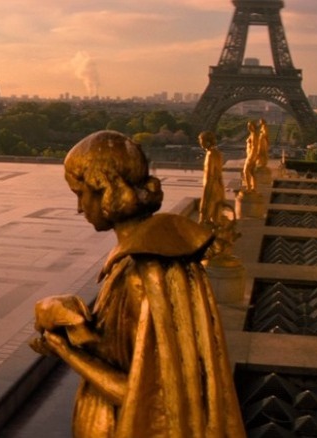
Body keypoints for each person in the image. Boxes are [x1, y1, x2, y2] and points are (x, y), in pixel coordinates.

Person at [30, 130, 244, 437]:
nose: (79, 208)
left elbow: (147, 398)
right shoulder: (156, 258)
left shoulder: (140, 276)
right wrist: (80, 329)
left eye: (80, 194)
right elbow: (135, 355)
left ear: (103, 187)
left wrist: (65, 351)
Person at [197, 131, 225, 226]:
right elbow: (219, 175)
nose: (200, 142)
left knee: (204, 220)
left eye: (201, 140)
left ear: (207, 142)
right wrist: (223, 192)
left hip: (210, 189)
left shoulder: (210, 155)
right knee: (216, 219)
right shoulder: (218, 153)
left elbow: (209, 177)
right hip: (218, 188)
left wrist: (205, 199)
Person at [241, 120, 259, 192]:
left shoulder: (254, 135)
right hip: (251, 155)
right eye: (248, 126)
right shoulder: (252, 134)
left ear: (254, 126)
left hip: (251, 156)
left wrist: (251, 158)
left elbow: (254, 148)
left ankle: (248, 188)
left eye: (250, 126)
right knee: (251, 172)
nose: (248, 127)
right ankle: (253, 187)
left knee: (245, 171)